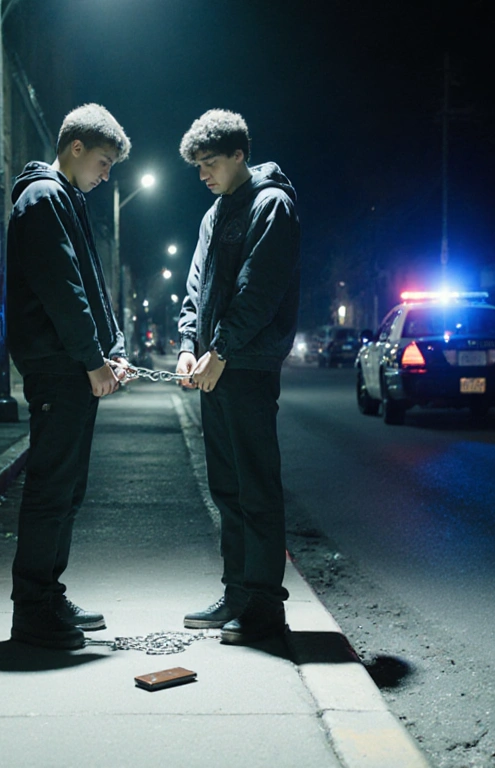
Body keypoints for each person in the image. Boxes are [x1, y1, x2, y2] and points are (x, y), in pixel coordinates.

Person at [6, 104, 131, 650]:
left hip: (71, 366)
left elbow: (90, 287)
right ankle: (32, 612)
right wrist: (91, 359)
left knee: (68, 490)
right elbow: (63, 289)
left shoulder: (67, 199)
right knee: (50, 489)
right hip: (58, 368)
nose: (105, 176)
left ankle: (48, 597)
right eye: (103, 162)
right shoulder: (43, 197)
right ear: (75, 147)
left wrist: (113, 350)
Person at [174, 109, 301, 645]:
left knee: (257, 486)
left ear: (239, 156)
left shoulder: (272, 204)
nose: (203, 174)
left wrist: (220, 349)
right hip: (212, 368)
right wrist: (187, 346)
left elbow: (259, 290)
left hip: (245, 367)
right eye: (198, 166)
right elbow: (195, 286)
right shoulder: (214, 214)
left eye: (210, 163)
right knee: (227, 487)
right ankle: (238, 592)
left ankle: (266, 606)